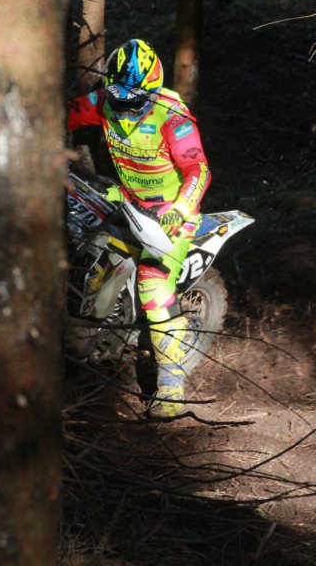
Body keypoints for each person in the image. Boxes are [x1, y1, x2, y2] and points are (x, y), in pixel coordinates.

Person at [67, 38, 211, 418]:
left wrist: (180, 208)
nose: (125, 108)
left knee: (153, 284)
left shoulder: (171, 116)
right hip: (126, 200)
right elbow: (61, 116)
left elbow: (198, 170)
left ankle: (171, 389)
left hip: (171, 213)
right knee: (83, 252)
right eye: (119, 99)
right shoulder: (103, 101)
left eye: (134, 101)